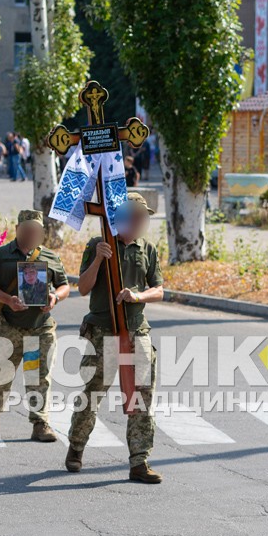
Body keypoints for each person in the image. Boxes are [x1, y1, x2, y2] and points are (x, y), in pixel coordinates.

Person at [67, 192, 165, 483]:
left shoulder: (146, 248)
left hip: (137, 329)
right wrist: (98, 260)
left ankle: (139, 461)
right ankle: (76, 447)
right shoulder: (98, 244)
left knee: (142, 394)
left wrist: (137, 295)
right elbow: (83, 288)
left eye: (142, 217)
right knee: (94, 391)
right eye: (133, 216)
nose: (138, 221)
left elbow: (158, 290)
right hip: (102, 330)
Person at [0, 210, 69, 441]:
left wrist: (54, 298)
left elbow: (64, 286)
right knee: (0, 375)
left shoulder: (50, 257)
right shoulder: (1, 255)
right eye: (27, 229)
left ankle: (40, 423)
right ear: (18, 229)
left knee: (39, 376)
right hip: (8, 325)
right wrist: (8, 299)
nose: (31, 234)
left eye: (36, 230)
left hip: (40, 326)